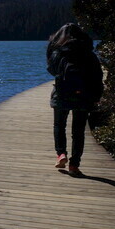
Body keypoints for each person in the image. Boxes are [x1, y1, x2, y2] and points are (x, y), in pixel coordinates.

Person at [47, 23, 103, 176]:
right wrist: (96, 96)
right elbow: (97, 76)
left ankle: (61, 154)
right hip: (83, 96)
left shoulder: (59, 52)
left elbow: (52, 70)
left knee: (59, 125)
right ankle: (74, 165)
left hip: (62, 93)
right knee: (78, 131)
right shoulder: (89, 54)